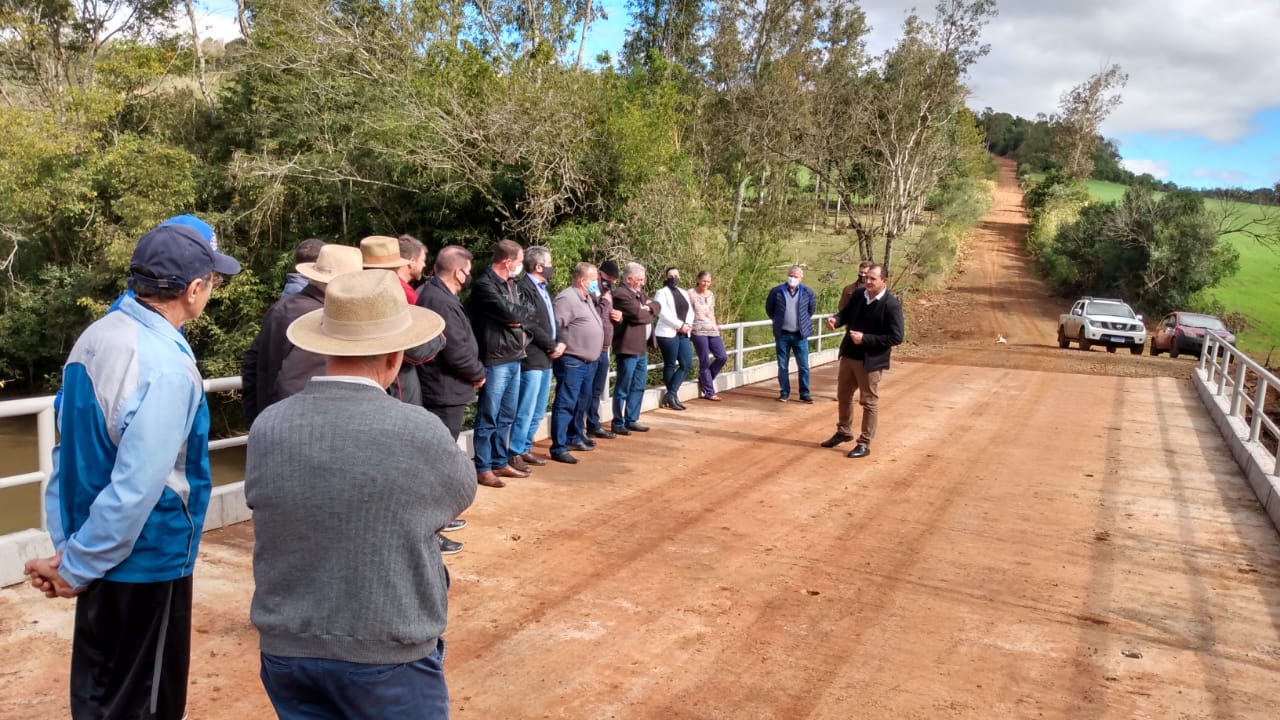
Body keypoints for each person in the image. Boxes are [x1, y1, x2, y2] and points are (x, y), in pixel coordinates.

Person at [26, 221, 241, 720]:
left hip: (99, 554)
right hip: (145, 560)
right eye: (212, 281)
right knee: (145, 702)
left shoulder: (95, 338)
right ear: (193, 290)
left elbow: (67, 457)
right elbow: (137, 487)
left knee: (101, 693)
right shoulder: (165, 365)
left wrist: (70, 552)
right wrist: (76, 566)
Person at [246, 270, 475, 719]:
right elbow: (459, 493)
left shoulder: (269, 426)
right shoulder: (418, 430)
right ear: (396, 357)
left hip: (288, 646)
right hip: (387, 648)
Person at [242, 244, 364, 425]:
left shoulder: (282, 307)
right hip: (298, 432)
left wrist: (257, 422)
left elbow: (251, 364)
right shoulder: (318, 320)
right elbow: (295, 386)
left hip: (269, 422)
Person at [820, 264, 905, 459]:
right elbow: (846, 314)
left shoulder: (891, 305)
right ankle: (843, 431)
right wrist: (836, 320)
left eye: (873, 279)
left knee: (868, 402)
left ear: (884, 281)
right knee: (843, 396)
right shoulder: (858, 295)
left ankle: (864, 442)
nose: (867, 281)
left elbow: (896, 337)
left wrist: (866, 339)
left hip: (871, 361)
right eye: (867, 277)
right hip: (849, 355)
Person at [468, 239, 533, 487]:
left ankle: (499, 461)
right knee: (488, 415)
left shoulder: (512, 285)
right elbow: (514, 314)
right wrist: (515, 317)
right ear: (507, 261)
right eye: (518, 261)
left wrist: (516, 317)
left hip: (514, 356)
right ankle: (483, 467)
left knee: (507, 415)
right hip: (495, 358)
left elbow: (527, 313)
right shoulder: (485, 285)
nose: (520, 266)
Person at [416, 246, 486, 440]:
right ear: (458, 273)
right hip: (443, 390)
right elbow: (456, 350)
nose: (469, 276)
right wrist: (478, 373)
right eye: (468, 272)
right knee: (443, 446)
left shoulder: (437, 294)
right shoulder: (440, 302)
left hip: (446, 387)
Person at [510, 246, 565, 470]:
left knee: (539, 407)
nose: (552, 268)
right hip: (532, 355)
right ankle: (514, 452)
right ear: (539, 266)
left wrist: (559, 340)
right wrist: (551, 345)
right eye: (550, 263)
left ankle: (525, 447)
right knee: (526, 407)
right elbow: (530, 322)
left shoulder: (544, 289)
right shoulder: (523, 288)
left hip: (547, 357)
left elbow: (552, 320)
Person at [548, 263, 606, 464]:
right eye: (593, 280)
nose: (596, 283)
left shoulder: (587, 297)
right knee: (566, 403)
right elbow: (556, 324)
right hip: (572, 360)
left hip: (588, 361)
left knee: (581, 402)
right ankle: (559, 446)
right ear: (582, 281)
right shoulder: (567, 298)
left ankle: (574, 437)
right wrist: (562, 343)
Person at [611, 262, 660, 435]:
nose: (642, 282)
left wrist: (648, 307)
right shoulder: (621, 294)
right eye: (639, 279)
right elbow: (640, 316)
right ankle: (618, 422)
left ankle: (632, 419)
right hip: (628, 348)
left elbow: (657, 305)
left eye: (643, 279)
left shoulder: (640, 294)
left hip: (641, 349)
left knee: (638, 385)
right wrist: (646, 309)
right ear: (629, 278)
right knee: (623, 386)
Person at [580, 260, 623, 440]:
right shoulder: (593, 290)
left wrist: (618, 316)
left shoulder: (607, 291)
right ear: (599, 273)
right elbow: (594, 311)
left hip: (603, 348)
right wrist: (606, 303)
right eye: (608, 277)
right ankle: (578, 429)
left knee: (596, 390)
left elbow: (607, 313)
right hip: (591, 349)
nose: (610, 281)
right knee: (586, 391)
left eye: (613, 279)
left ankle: (593, 424)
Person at [764, 264, 816, 403]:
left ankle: (804, 393)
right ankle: (784, 392)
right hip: (782, 334)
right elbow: (769, 309)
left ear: (801, 278)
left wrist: (801, 322)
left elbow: (811, 310)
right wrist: (779, 320)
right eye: (791, 275)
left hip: (800, 335)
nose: (792, 278)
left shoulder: (807, 292)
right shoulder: (777, 291)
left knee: (803, 365)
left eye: (796, 276)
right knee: (782, 365)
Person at [653, 267, 694, 410]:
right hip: (667, 333)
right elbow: (662, 313)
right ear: (666, 277)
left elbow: (690, 311)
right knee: (670, 364)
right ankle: (673, 397)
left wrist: (687, 324)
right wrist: (679, 325)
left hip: (683, 333)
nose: (674, 278)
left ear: (680, 277)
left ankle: (671, 394)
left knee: (687, 363)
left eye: (676, 275)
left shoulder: (683, 292)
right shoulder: (661, 293)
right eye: (670, 276)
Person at [690, 270, 728, 401]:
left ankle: (705, 380)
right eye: (704, 281)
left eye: (708, 281)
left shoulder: (711, 294)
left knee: (722, 356)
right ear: (698, 280)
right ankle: (709, 391)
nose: (706, 284)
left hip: (712, 329)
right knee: (704, 359)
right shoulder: (691, 293)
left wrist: (716, 326)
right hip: (698, 330)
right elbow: (687, 312)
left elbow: (712, 312)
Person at [396, 234, 429, 301]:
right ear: (412, 262)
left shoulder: (387, 282)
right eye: (423, 260)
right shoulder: (408, 295)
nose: (424, 265)